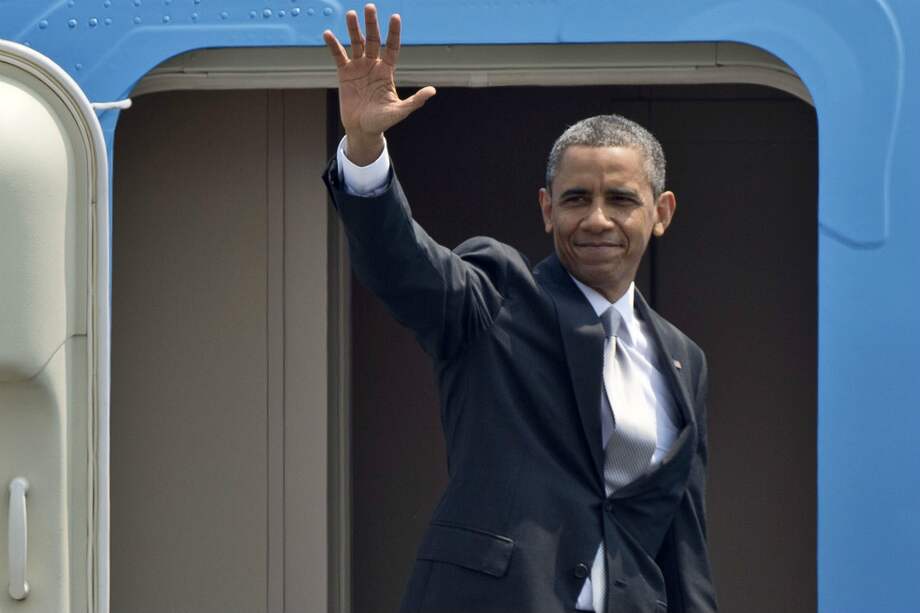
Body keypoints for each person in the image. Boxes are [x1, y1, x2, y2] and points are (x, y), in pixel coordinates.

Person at [322, 5, 718, 612]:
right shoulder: (498, 297)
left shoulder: (682, 359)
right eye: (575, 199)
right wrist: (365, 145)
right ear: (545, 209)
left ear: (660, 213)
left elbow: (682, 546)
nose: (596, 219)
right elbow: (403, 266)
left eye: (620, 200)